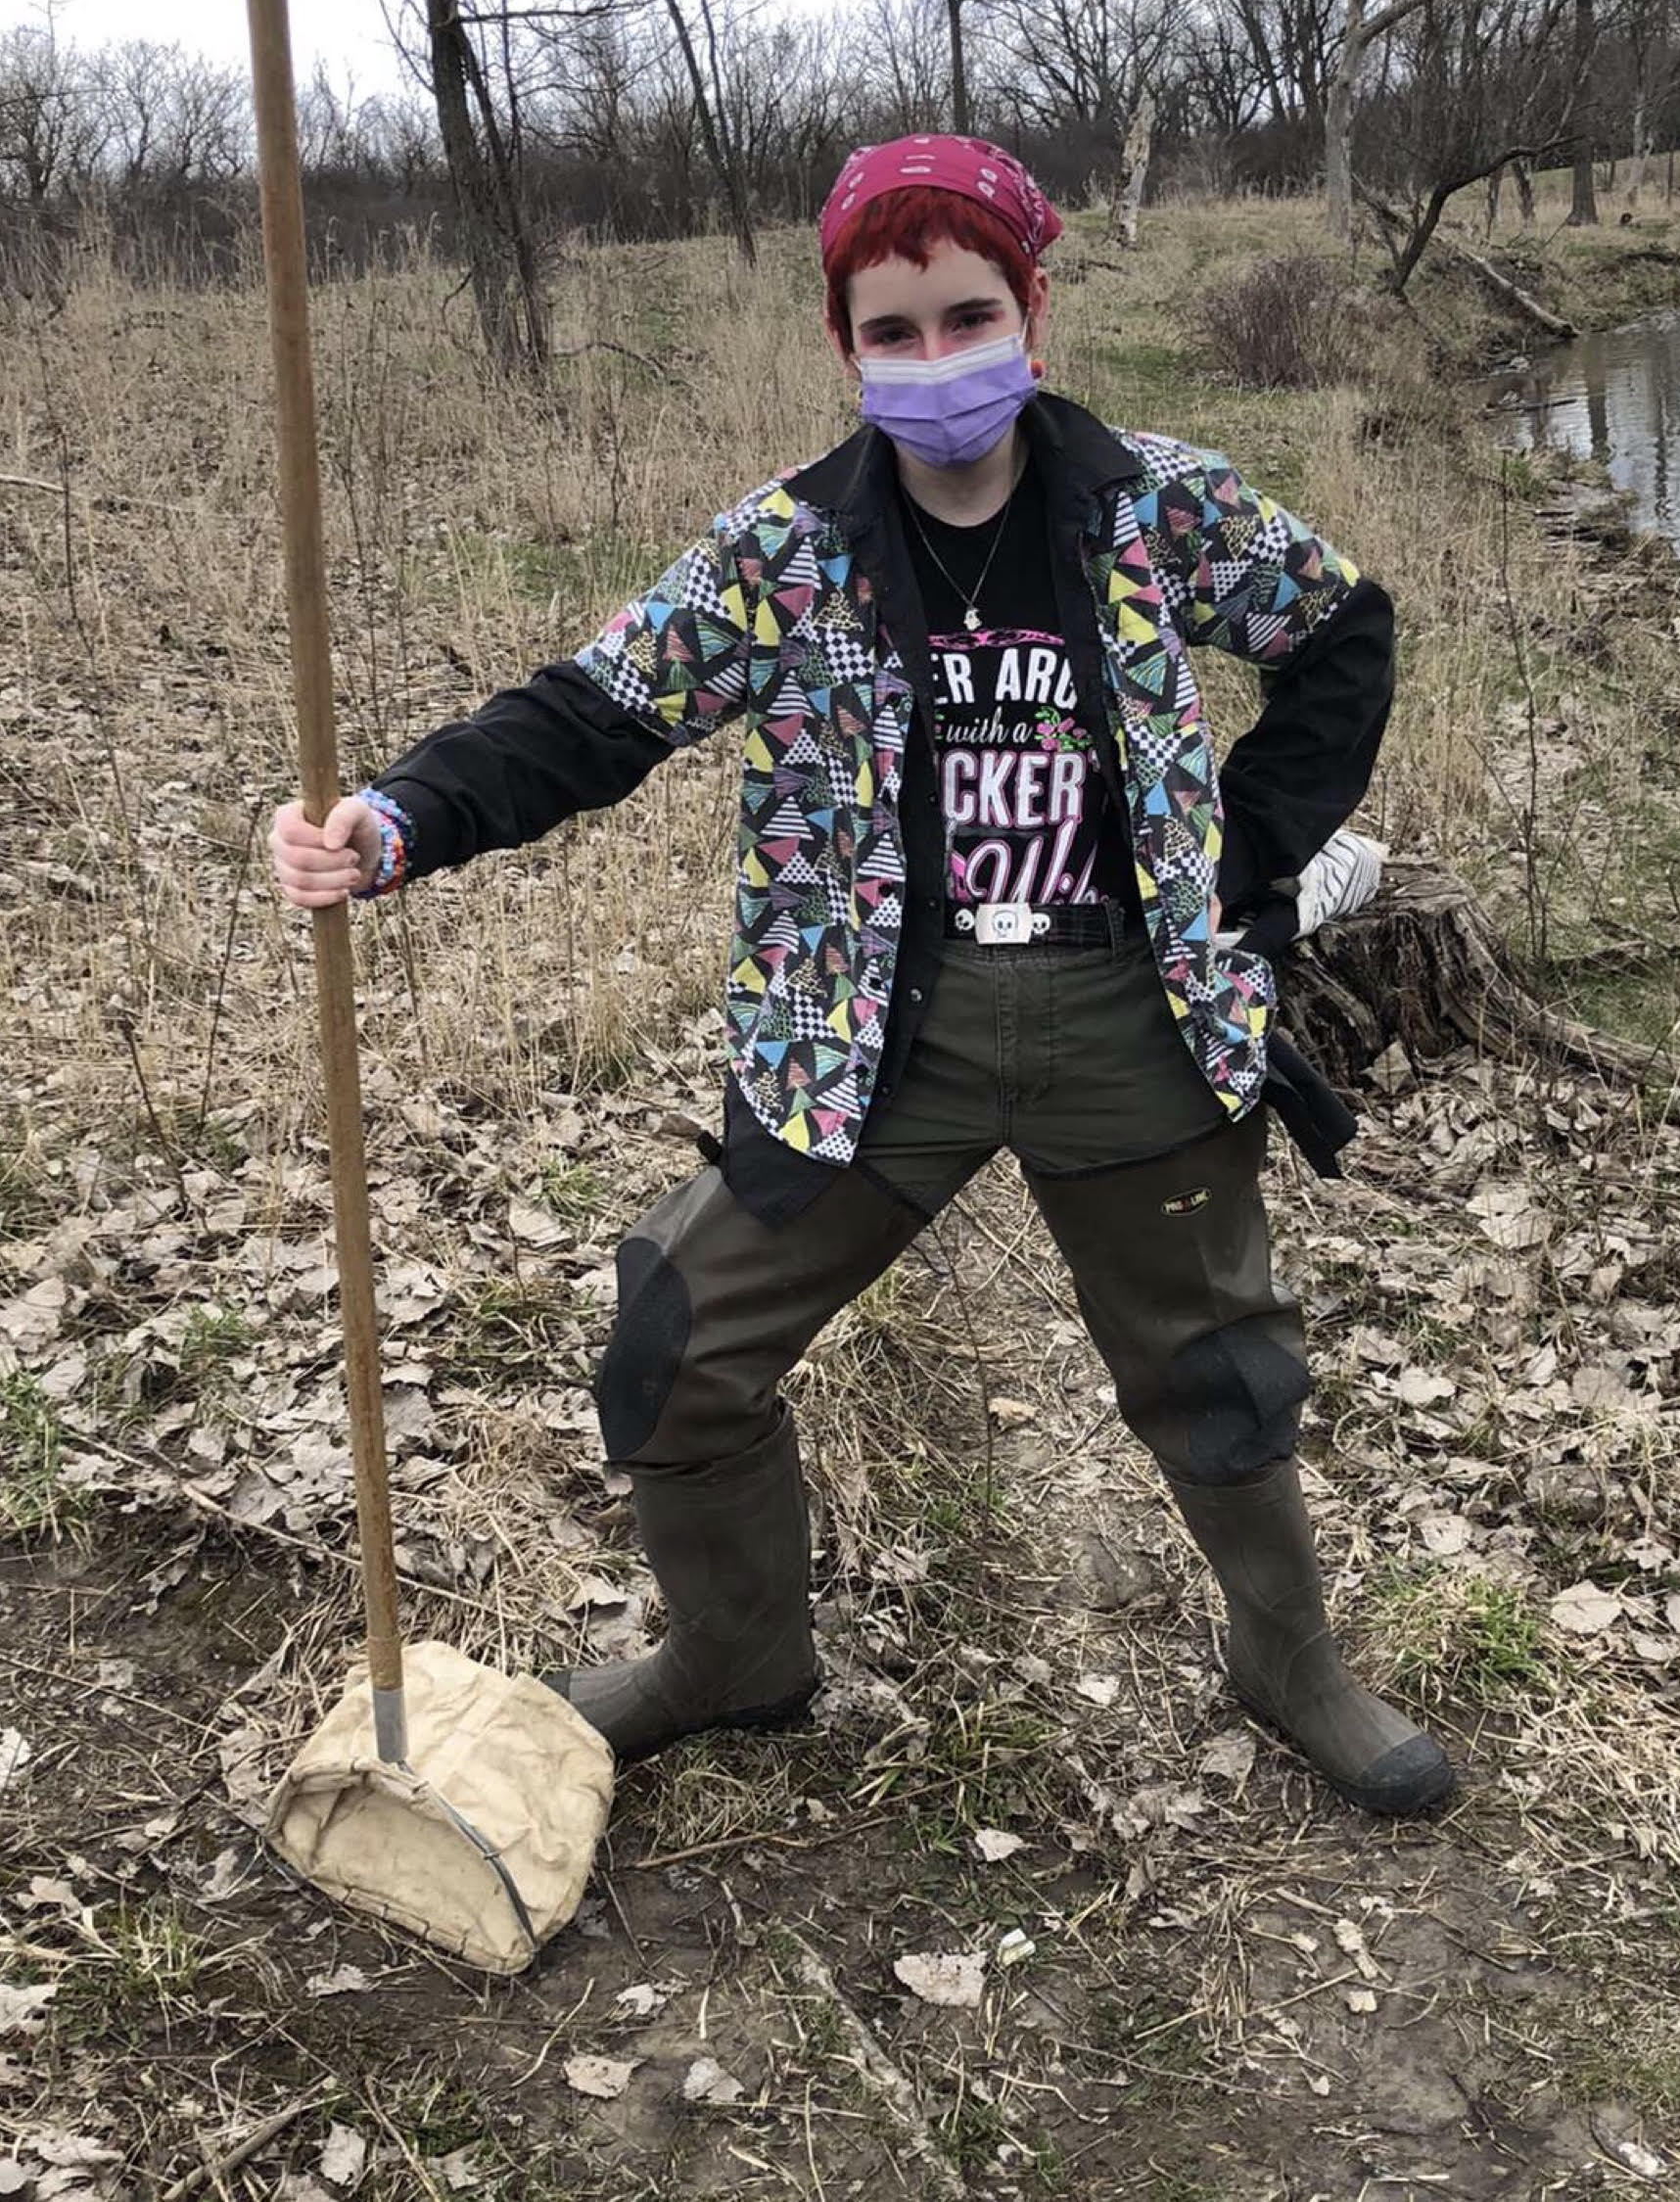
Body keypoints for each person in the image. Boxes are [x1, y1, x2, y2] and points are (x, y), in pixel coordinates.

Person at [270, 134, 1453, 1819]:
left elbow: (1343, 634)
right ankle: (733, 1659)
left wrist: (1241, 860)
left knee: (1219, 1363)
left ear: (1030, 314)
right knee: (678, 1344)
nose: (931, 362)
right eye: (889, 332)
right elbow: (588, 715)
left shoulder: (1155, 508)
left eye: (966, 317)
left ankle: (1290, 1662)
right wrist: (391, 822)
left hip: (1135, 1017)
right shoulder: (787, 553)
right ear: (844, 347)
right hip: (865, 1036)